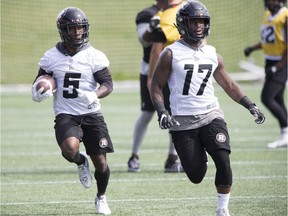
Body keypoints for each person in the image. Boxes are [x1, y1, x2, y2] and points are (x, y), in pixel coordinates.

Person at [149, 1, 265, 216]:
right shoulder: (170, 54)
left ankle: (222, 210)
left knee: (223, 159)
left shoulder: (212, 53)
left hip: (211, 114)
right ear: (183, 24)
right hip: (182, 120)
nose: (199, 26)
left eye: (202, 21)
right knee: (196, 175)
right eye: (194, 22)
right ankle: (198, 153)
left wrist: (250, 105)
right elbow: (155, 85)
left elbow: (229, 84)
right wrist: (162, 111)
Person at [31, 7, 113, 215]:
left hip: (92, 113)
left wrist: (95, 94)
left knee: (101, 163)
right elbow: (41, 79)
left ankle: (101, 197)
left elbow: (108, 84)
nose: (77, 32)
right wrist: (38, 90)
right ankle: (80, 160)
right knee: (69, 149)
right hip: (66, 113)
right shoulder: (51, 57)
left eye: (80, 28)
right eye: (72, 28)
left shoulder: (94, 56)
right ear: (63, 30)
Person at [127, 0, 184, 173]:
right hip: (150, 69)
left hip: (174, 70)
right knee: (147, 113)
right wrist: (152, 29)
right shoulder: (147, 14)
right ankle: (134, 156)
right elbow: (145, 42)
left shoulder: (180, 10)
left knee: (175, 112)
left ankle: (173, 158)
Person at [244, 0, 288, 148]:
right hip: (270, 62)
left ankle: (286, 132)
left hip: (282, 62)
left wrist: (278, 67)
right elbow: (269, 40)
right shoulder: (268, 15)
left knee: (267, 98)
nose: (268, 2)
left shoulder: (285, 17)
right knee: (278, 99)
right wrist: (252, 48)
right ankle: (285, 133)